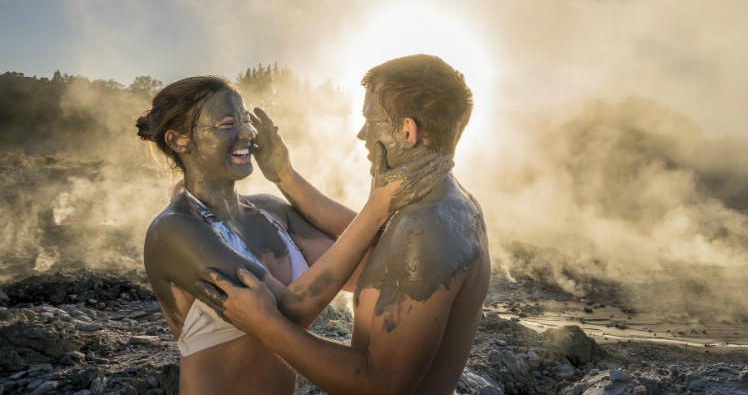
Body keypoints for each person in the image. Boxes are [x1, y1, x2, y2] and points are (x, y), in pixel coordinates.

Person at [200, 54, 491, 395]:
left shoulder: (426, 230)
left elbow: (381, 385)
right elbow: (367, 233)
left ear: (407, 131)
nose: (361, 133)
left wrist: (267, 326)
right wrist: (284, 176)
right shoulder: (446, 201)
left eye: (371, 119)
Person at [138, 76, 445, 395]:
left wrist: (284, 175)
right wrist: (376, 209)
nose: (247, 132)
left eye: (245, 120)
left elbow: (380, 264)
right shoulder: (174, 230)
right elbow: (284, 315)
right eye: (227, 123)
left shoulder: (271, 211)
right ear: (179, 140)